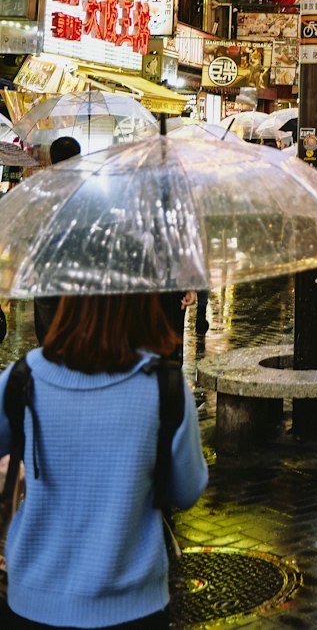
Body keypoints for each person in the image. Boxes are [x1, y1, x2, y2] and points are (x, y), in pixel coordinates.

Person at [0, 292, 207, 629]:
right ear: (142, 299)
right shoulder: (165, 387)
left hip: (33, 602)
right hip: (134, 607)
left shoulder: (23, 379)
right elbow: (187, 490)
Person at [32, 136, 81, 345]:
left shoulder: (41, 187)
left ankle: (50, 365)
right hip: (79, 268)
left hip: (47, 267)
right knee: (75, 325)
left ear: (51, 158)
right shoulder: (89, 187)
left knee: (48, 330)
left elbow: (32, 228)